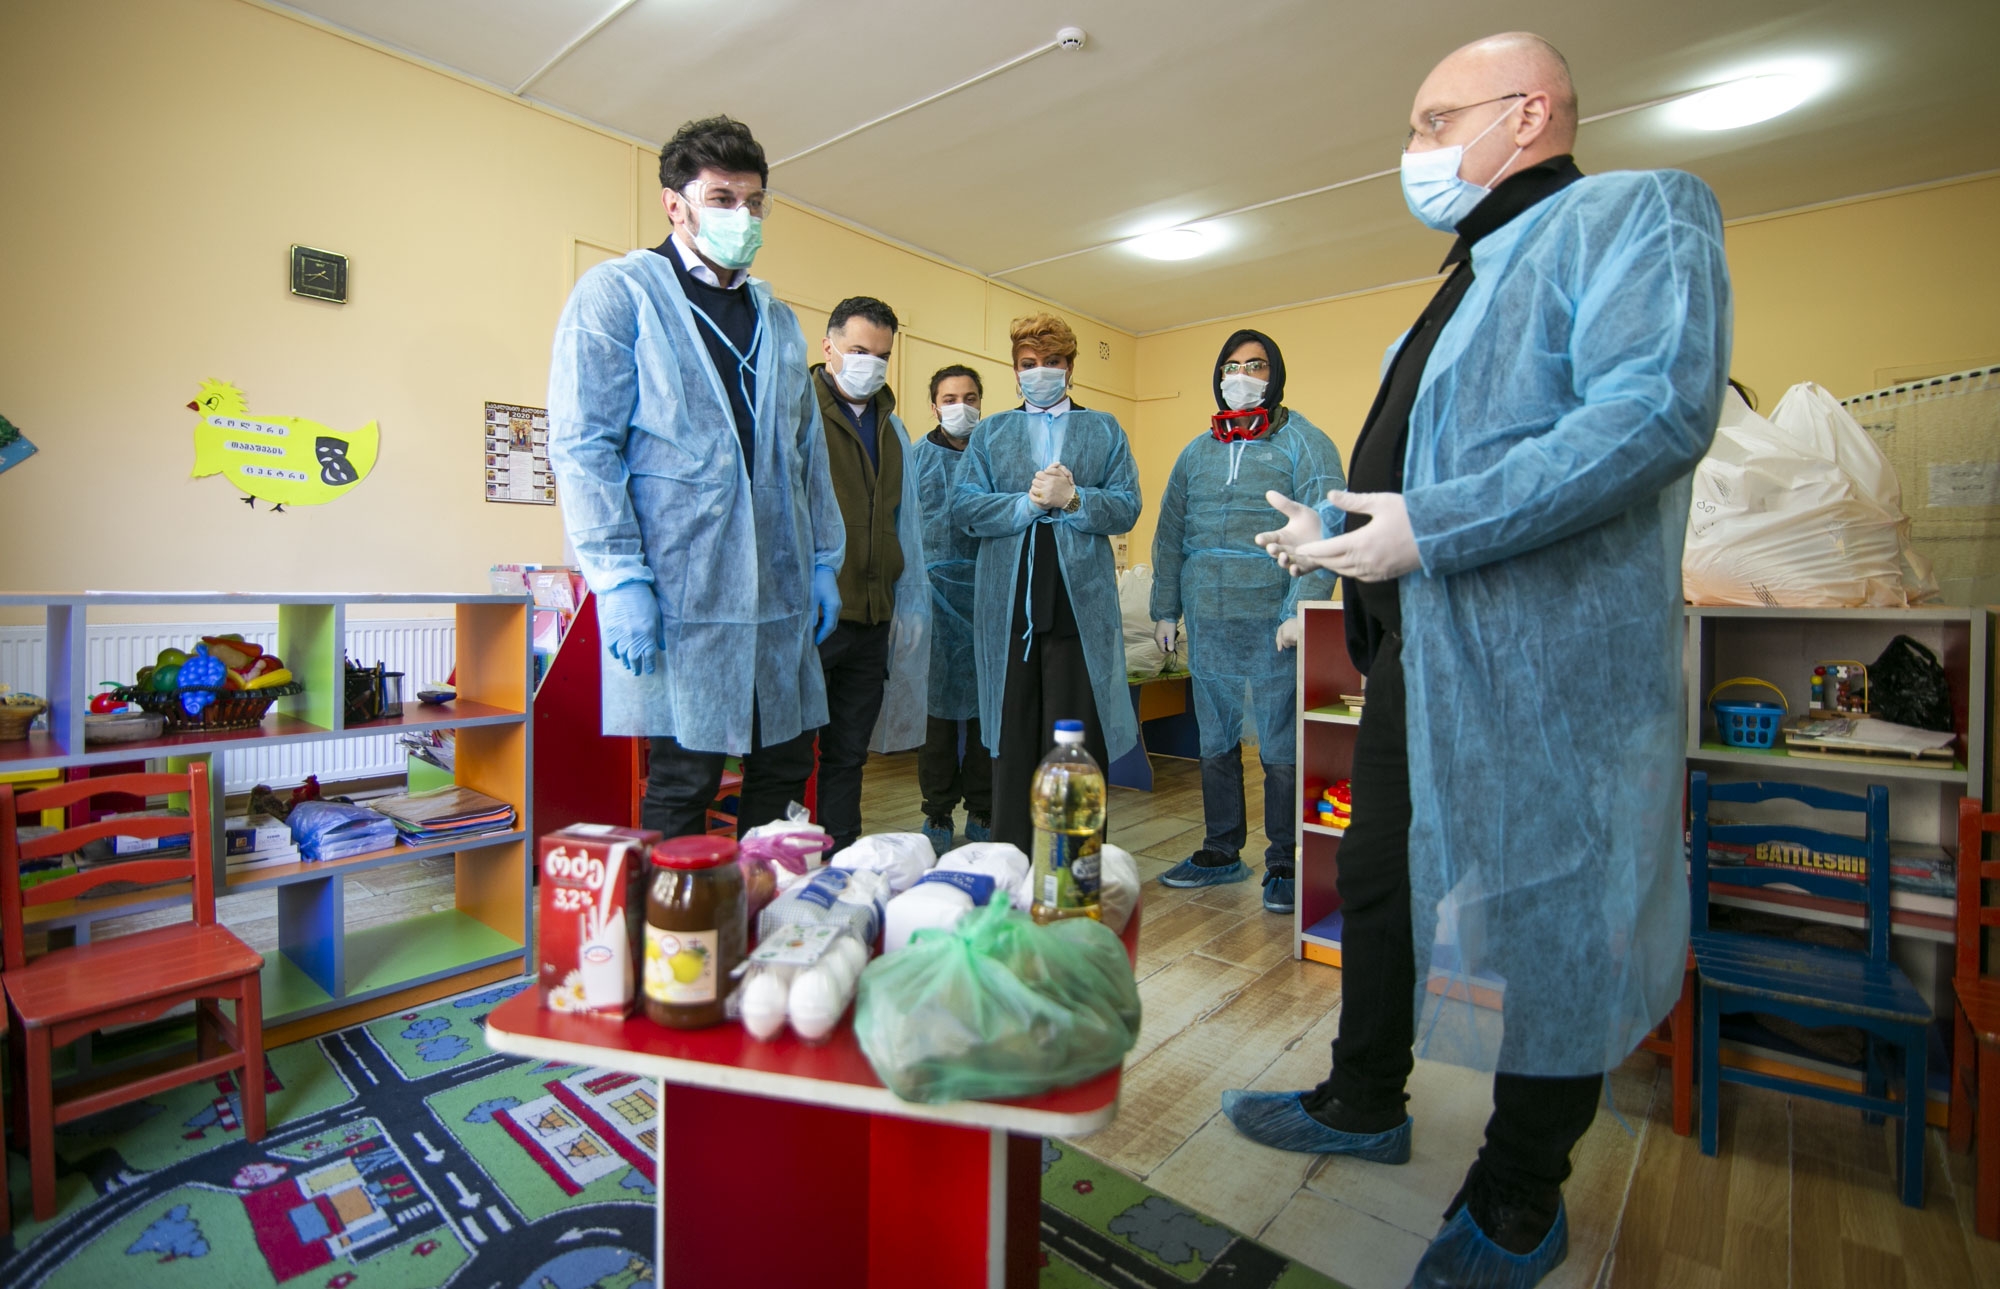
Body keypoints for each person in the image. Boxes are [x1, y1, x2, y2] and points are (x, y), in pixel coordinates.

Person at [1224, 33, 1730, 1288]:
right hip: (1423, 649)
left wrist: (1430, 526)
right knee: (1376, 878)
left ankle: (1517, 1194)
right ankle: (1360, 1099)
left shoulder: (1636, 213)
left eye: (1431, 121)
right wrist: (1337, 529)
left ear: (1529, 111)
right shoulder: (1464, 276)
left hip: (1545, 664)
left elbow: (1651, 413)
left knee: (1553, 913)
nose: (1411, 148)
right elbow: (1440, 460)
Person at [547, 115, 844, 840]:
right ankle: (676, 915)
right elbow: (584, 445)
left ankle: (769, 903)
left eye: (754, 201)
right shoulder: (620, 294)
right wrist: (619, 577)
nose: (743, 215)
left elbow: (806, 452)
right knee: (687, 775)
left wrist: (823, 560)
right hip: (682, 589)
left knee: (784, 766)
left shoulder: (777, 319)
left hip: (778, 590)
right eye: (722, 199)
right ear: (674, 204)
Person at [1150, 330, 1344, 915]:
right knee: (1215, 739)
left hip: (1273, 621)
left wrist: (1299, 611)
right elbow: (1170, 534)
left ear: (1275, 375)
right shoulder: (1195, 452)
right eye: (1231, 367)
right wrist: (1165, 607)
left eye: (1255, 366)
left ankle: (1285, 859)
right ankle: (1220, 850)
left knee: (1281, 744)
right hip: (1208, 618)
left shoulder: (1305, 443)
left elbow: (1325, 526)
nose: (1241, 377)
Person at [953, 314, 1141, 849]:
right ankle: (1013, 853)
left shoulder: (1104, 429)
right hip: (1010, 601)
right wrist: (1027, 504)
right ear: (1015, 370)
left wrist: (1075, 499)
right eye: (1029, 363)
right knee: (1013, 730)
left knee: (1075, 732)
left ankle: (1076, 857)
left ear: (1070, 367)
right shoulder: (992, 432)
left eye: (1052, 362)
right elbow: (964, 507)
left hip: (1078, 604)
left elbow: (1127, 505)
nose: (1041, 372)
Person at [809, 296, 931, 854]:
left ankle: (840, 856)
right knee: (788, 753)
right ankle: (781, 863)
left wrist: (907, 602)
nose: (870, 365)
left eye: (882, 356)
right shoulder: (798, 413)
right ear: (828, 346)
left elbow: (905, 527)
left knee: (848, 753)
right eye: (859, 351)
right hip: (811, 615)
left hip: (871, 618)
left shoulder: (892, 429)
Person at [909, 364, 993, 854]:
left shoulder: (995, 456)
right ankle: (937, 810)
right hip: (932, 601)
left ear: (981, 402)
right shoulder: (916, 460)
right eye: (949, 398)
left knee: (986, 714)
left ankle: (983, 807)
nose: (961, 406)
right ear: (934, 406)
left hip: (988, 597)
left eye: (970, 397)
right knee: (936, 717)